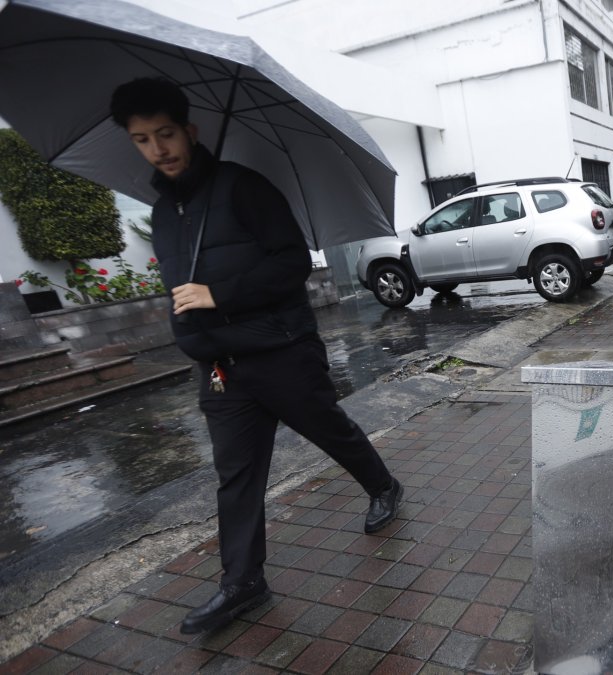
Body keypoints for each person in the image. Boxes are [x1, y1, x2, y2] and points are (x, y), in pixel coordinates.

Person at [109, 78, 402, 635]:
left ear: (190, 131)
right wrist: (191, 336)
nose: (158, 149)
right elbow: (179, 289)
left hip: (280, 350)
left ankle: (383, 485)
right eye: (142, 140)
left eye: (166, 134)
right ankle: (243, 582)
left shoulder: (244, 187)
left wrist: (220, 295)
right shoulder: (165, 215)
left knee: (329, 430)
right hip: (222, 370)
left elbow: (292, 263)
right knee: (236, 476)